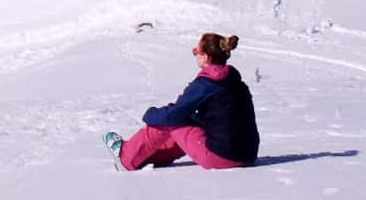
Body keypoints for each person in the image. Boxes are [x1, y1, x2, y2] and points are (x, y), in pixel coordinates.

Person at [105, 33, 259, 170]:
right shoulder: (235, 82)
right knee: (188, 122)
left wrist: (149, 115)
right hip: (247, 155)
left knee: (170, 121)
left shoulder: (206, 83)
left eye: (196, 52)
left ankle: (126, 158)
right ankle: (149, 157)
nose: (195, 55)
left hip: (221, 157)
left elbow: (173, 115)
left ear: (205, 57)